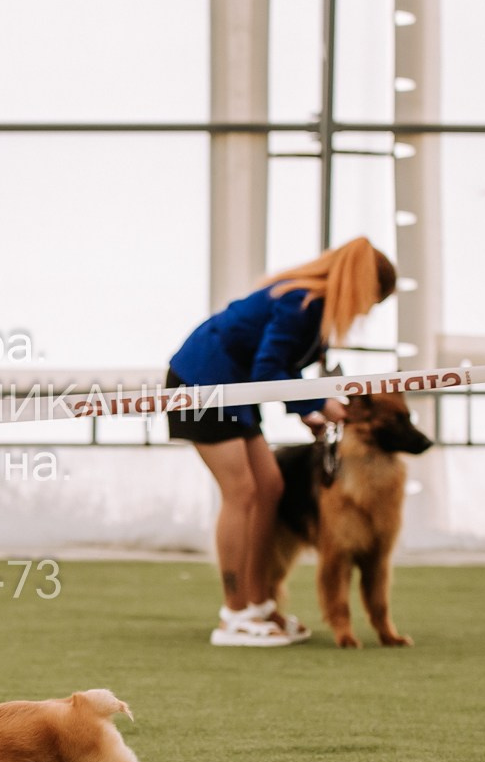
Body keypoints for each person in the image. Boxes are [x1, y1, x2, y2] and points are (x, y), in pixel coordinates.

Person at [166, 236, 395, 647]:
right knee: (242, 492)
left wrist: (308, 409)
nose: (366, 311)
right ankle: (234, 614)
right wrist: (320, 400)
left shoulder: (313, 309)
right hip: (201, 385)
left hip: (234, 391)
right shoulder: (301, 302)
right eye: (372, 300)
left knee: (269, 486)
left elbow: (277, 368)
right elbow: (268, 370)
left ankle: (259, 603)